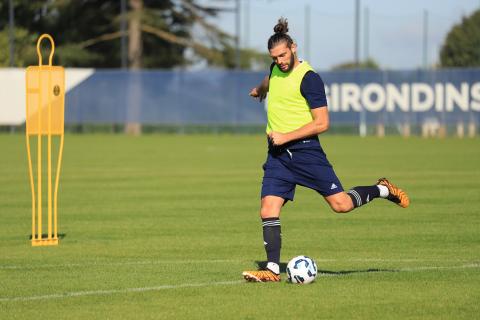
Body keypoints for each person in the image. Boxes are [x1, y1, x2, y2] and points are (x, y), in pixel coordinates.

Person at [242, 18, 409, 283]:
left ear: (294, 47)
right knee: (267, 208)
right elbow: (270, 78)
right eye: (274, 57)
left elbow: (322, 123)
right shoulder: (275, 69)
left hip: (306, 152)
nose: (280, 61)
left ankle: (382, 189)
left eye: (283, 55)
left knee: (340, 205)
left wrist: (285, 136)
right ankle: (272, 270)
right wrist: (260, 89)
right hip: (277, 155)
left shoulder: (310, 79)